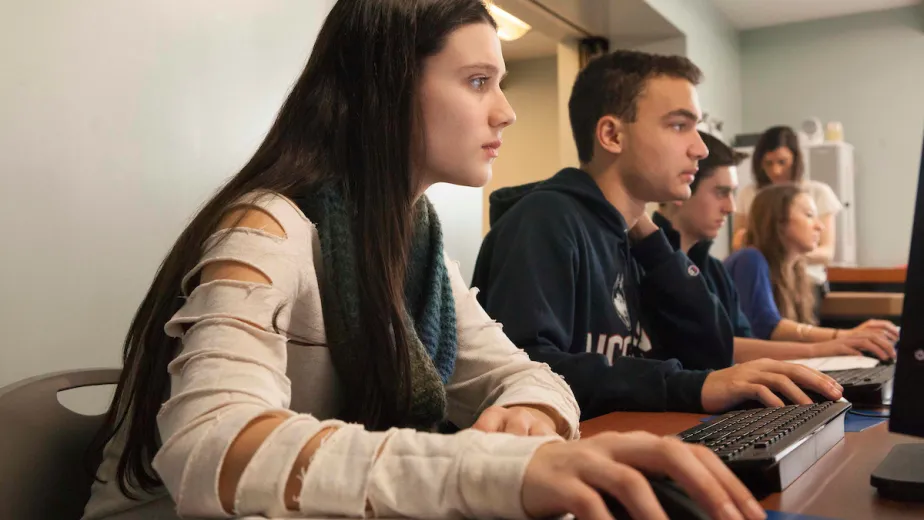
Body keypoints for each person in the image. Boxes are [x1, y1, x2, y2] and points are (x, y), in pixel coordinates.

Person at [80, 3, 770, 520]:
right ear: (384, 88)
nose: (505, 112)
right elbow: (211, 446)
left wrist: (529, 418)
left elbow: (530, 374)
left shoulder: (416, 250)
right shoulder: (267, 226)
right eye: (477, 81)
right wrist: (487, 470)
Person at [471, 49, 844, 424]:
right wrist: (683, 386)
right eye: (679, 126)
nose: (699, 148)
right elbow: (524, 370)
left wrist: (652, 244)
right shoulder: (544, 221)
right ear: (612, 135)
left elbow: (713, 357)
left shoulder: (638, 243)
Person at [656, 131, 896, 362]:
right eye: (721, 193)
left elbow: (740, 341)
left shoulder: (712, 269)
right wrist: (830, 344)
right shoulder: (656, 264)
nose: (730, 208)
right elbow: (749, 335)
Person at [724, 184, 899, 354]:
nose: (820, 226)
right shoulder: (749, 259)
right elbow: (766, 326)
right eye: (809, 215)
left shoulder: (796, 271)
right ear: (779, 221)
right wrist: (846, 336)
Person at [731, 125, 841, 313]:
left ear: (796, 160)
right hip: (763, 282)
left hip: (807, 283)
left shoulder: (818, 193)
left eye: (783, 162)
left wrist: (783, 255)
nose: (775, 170)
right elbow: (739, 242)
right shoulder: (748, 194)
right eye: (768, 163)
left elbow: (827, 253)